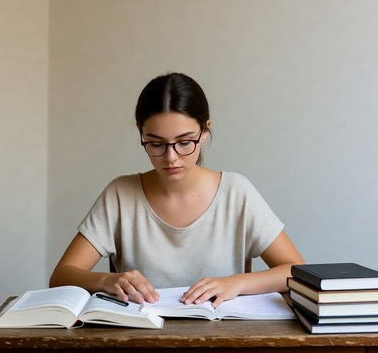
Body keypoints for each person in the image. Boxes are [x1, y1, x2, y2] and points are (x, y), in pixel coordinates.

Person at [49, 72, 305, 308]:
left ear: (205, 131)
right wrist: (107, 281)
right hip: (138, 342)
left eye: (184, 142)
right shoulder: (121, 194)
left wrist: (236, 283)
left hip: (221, 342)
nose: (170, 157)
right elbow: (61, 276)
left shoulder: (236, 193)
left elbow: (295, 269)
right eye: (156, 143)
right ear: (141, 133)